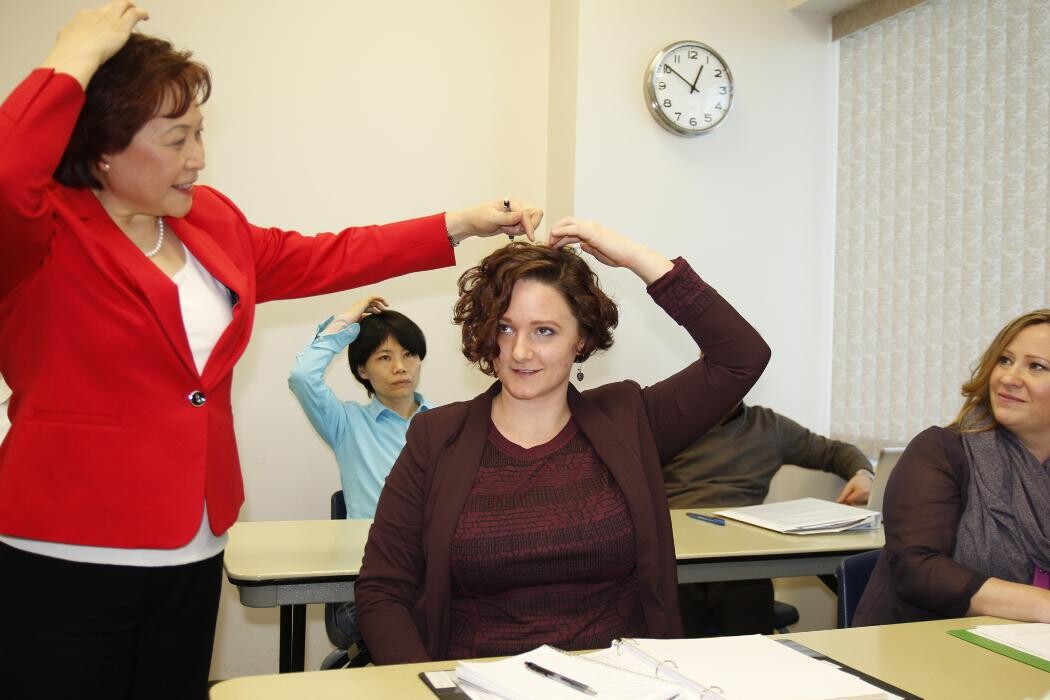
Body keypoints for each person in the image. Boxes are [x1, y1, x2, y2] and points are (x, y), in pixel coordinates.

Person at [0, 3, 541, 698]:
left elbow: (331, 255)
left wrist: (459, 223)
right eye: (177, 138)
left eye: (200, 133)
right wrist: (72, 55)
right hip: (67, 544)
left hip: (194, 541)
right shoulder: (40, 232)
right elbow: (9, 170)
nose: (198, 157)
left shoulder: (210, 221)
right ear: (103, 147)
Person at [355, 219, 771, 664]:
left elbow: (741, 357)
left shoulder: (629, 420)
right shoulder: (436, 437)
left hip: (620, 681)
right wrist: (424, 686)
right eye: (505, 328)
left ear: (582, 338)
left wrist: (636, 258)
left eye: (544, 331)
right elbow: (383, 590)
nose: (520, 352)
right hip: (479, 682)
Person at [854, 309, 1050, 626]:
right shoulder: (940, 451)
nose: (1009, 378)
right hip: (920, 640)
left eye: (1036, 366)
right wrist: (1041, 605)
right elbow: (918, 569)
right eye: (1004, 360)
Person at [288, 295, 430, 646]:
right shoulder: (347, 424)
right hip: (370, 581)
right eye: (384, 357)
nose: (401, 367)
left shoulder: (446, 424)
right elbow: (302, 376)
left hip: (432, 576)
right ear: (362, 370)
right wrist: (348, 323)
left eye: (409, 354)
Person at [664, 402, 874, 635]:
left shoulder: (769, 426)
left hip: (739, 554)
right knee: (671, 597)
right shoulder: (671, 423)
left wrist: (863, 475)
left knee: (750, 588)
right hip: (678, 550)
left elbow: (833, 451)